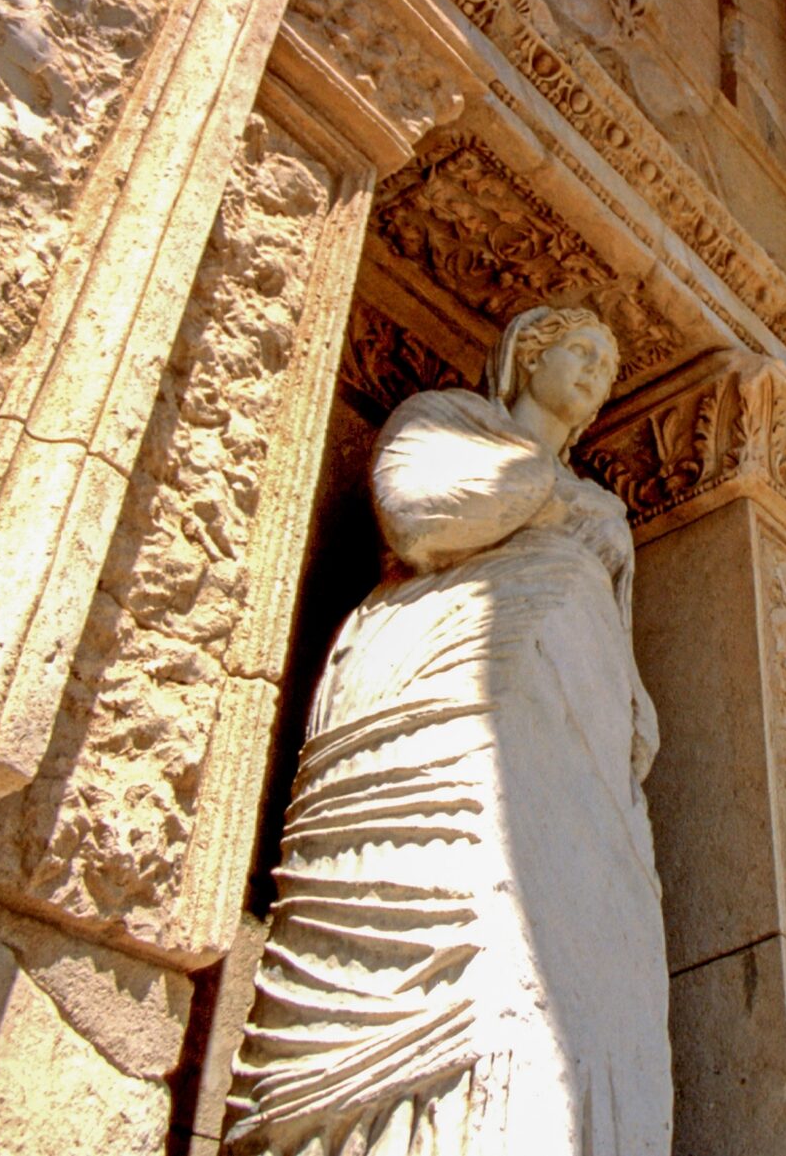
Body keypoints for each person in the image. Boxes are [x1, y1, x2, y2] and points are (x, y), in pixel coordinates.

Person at [227, 306, 667, 1155]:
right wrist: (539, 483)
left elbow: (619, 628)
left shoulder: (601, 505)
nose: (594, 374)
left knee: (579, 981)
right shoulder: (442, 420)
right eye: (579, 350)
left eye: (608, 367)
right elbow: (418, 515)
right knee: (471, 935)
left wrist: (630, 711)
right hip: (445, 681)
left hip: (574, 737)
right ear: (525, 357)